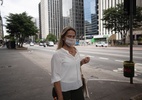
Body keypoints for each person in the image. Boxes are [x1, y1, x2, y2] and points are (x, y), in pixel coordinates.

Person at [51, 26, 90, 100]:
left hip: (78, 87)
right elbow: (55, 77)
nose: (71, 38)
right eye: (69, 36)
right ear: (63, 38)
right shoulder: (58, 54)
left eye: (73, 36)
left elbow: (74, 66)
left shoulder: (76, 50)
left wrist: (82, 62)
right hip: (65, 91)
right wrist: (60, 97)